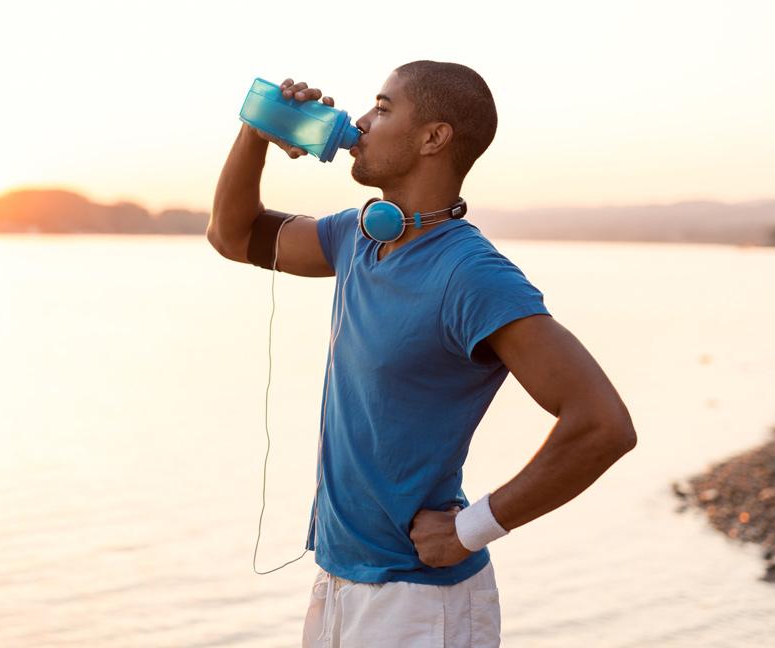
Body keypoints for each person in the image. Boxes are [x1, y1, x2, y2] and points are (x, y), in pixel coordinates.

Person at [207, 61, 637, 648]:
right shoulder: (359, 235)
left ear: (433, 138)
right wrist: (256, 130)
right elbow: (232, 235)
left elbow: (603, 425)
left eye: (382, 109)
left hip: (418, 604)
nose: (358, 120)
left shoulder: (473, 276)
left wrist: (470, 529)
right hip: (338, 581)